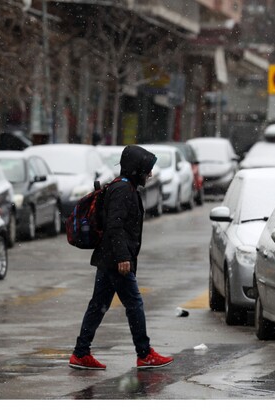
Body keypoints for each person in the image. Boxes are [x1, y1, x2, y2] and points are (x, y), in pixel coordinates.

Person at [69, 145, 174, 370]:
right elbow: (114, 227)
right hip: (116, 261)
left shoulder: (123, 188)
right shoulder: (123, 192)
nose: (150, 174)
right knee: (134, 304)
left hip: (109, 259)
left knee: (98, 305)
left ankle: (81, 353)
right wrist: (122, 257)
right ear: (137, 169)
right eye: (147, 170)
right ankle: (144, 353)